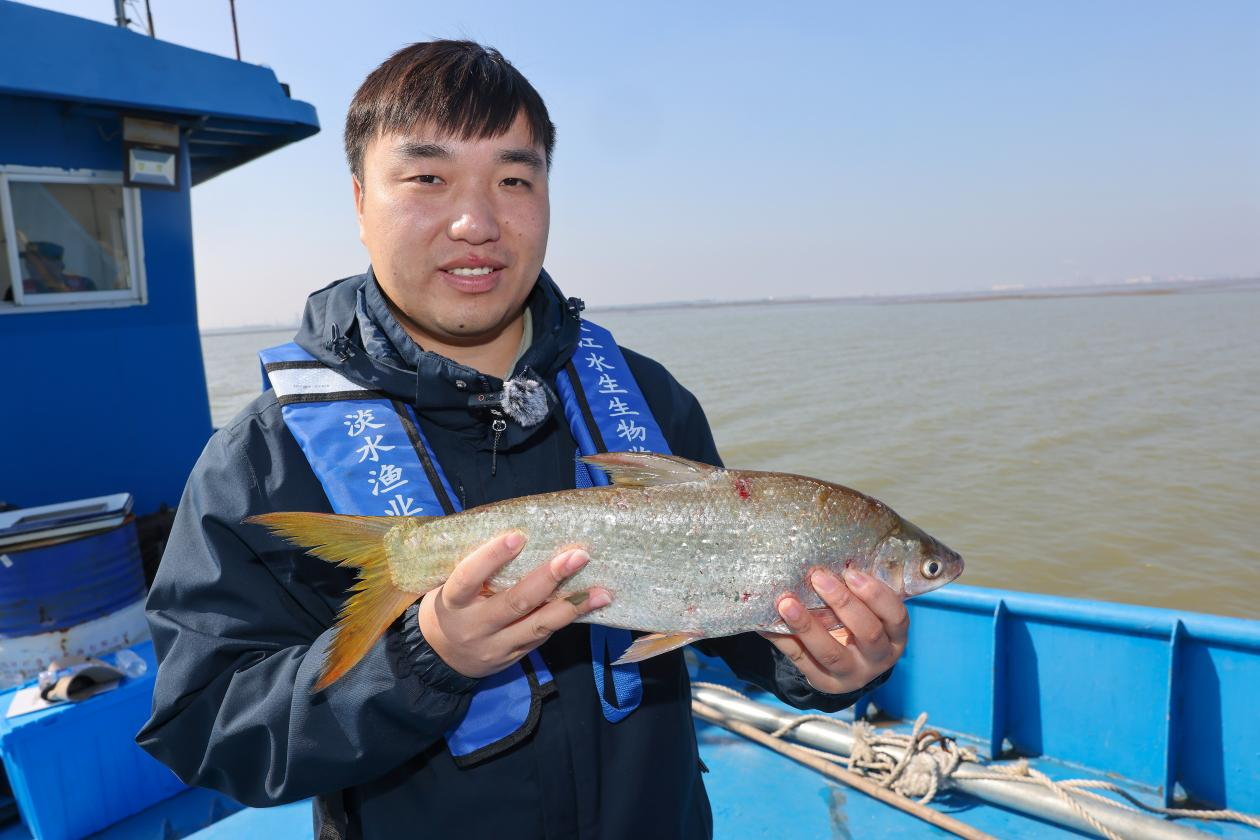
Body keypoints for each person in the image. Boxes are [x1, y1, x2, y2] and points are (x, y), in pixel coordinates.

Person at [137, 40, 909, 839]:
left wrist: (823, 663)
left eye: (514, 180)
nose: (476, 223)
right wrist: (422, 659)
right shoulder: (261, 458)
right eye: (428, 178)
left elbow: (733, 611)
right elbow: (207, 727)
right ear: (361, 202)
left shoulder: (649, 397)